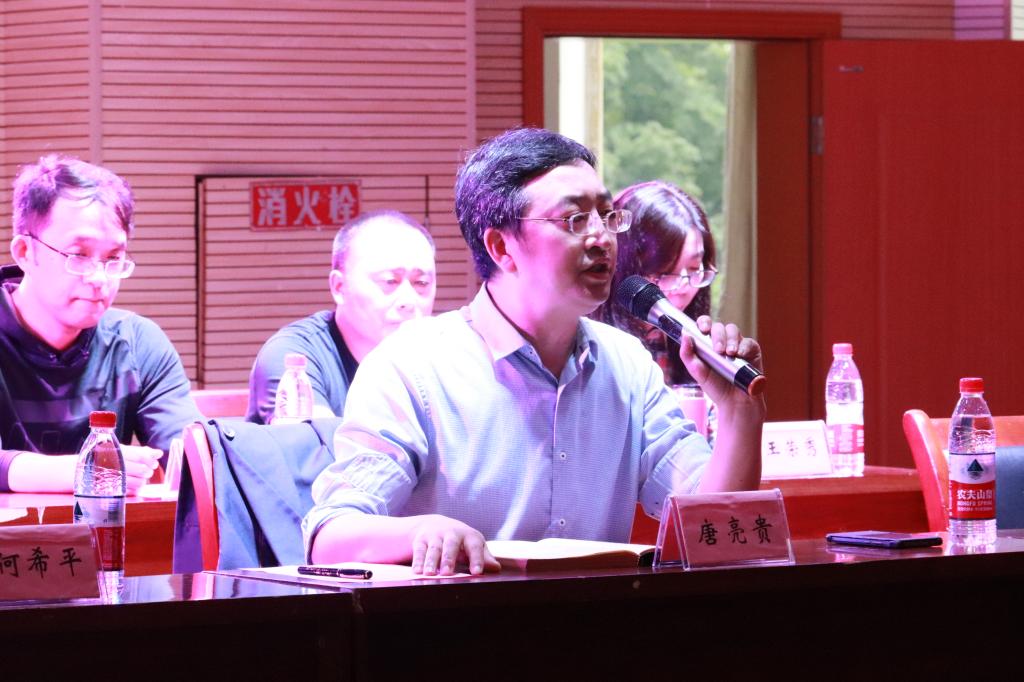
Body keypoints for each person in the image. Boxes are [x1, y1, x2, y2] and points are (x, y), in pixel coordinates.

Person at [303, 128, 766, 576]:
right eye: (574, 219)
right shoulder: (412, 367)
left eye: (607, 216)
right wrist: (419, 531)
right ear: (501, 247)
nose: (602, 237)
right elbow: (330, 536)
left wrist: (738, 413)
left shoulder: (627, 365)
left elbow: (715, 529)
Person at [0, 155, 200, 494]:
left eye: (112, 259)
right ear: (24, 252)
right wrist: (83, 469)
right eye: (78, 256)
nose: (98, 279)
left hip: (106, 529)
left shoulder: (137, 342)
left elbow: (191, 456)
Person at [246, 210, 436, 424]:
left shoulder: (445, 354)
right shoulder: (294, 357)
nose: (408, 301)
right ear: (339, 287)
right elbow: (315, 441)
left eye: (421, 283)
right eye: (390, 281)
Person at [594, 180, 720, 441]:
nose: (682, 286)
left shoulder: (690, 341)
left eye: (694, 269)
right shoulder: (597, 349)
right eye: (664, 272)